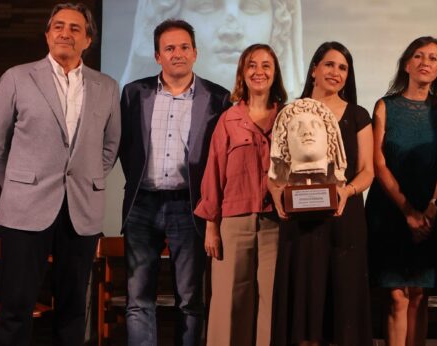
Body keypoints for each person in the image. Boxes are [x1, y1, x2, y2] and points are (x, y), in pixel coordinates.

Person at [0, 3, 120, 345]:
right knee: (16, 308)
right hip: (24, 210)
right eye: (58, 26)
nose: (65, 33)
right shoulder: (17, 77)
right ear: (47, 34)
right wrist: (18, 186)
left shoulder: (106, 86)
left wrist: (82, 184)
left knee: (73, 309)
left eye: (75, 28)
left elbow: (110, 147)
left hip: (80, 212)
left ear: (87, 40)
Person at [118, 19, 232, 346]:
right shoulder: (134, 93)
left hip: (190, 204)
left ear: (195, 53)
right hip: (142, 204)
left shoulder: (218, 98)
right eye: (169, 48)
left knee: (190, 299)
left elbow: (219, 159)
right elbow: (126, 149)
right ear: (157, 56)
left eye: (184, 47)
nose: (177, 54)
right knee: (138, 299)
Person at [269, 41, 374, 346]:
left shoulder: (358, 114)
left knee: (343, 314)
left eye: (343, 67)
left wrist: (347, 191)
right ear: (314, 68)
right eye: (329, 64)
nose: (335, 72)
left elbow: (367, 170)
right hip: (299, 224)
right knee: (304, 312)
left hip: (345, 220)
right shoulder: (289, 113)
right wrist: (276, 195)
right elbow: (274, 171)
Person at [195, 43, 287, 346]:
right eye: (251, 65)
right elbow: (214, 172)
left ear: (275, 74)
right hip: (233, 222)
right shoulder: (228, 119)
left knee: (272, 301)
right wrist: (211, 225)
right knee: (228, 302)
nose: (258, 71)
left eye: (266, 65)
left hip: (278, 223)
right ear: (242, 74)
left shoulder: (288, 118)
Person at [365, 36, 437, 346]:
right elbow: (378, 163)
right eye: (418, 55)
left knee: (419, 296)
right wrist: (408, 212)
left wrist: (430, 210)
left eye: (432, 58)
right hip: (389, 211)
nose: (425, 62)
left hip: (434, 210)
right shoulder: (385, 106)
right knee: (397, 296)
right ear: (406, 64)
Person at [120, 0, 304, 97]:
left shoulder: (289, 117)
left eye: (252, 6)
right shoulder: (137, 99)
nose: (231, 31)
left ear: (279, 23)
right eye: (206, 6)